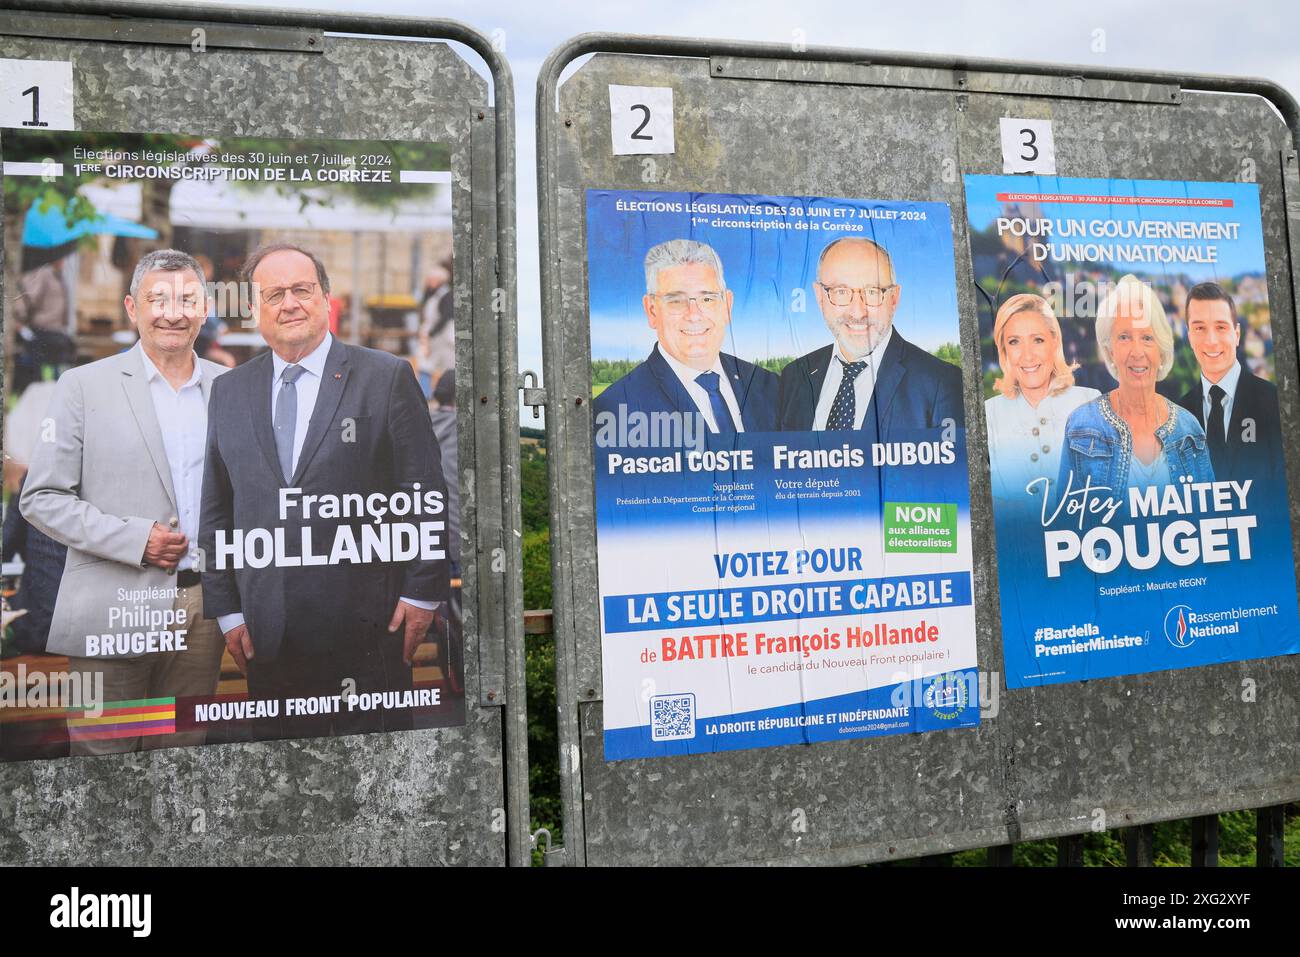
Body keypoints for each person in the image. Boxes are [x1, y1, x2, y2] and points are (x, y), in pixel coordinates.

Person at [199, 243, 451, 739]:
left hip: (371, 627)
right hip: (267, 630)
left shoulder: (385, 377)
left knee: (378, 775)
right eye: (273, 294)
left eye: (301, 289)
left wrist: (423, 594)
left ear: (326, 298)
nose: (289, 303)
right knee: (283, 777)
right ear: (253, 310)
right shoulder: (229, 391)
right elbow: (217, 509)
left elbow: (424, 491)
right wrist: (227, 610)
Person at [20, 249, 228, 754]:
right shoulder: (82, 386)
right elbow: (41, 497)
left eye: (186, 299)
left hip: (203, 613)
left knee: (183, 766)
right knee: (102, 768)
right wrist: (136, 540)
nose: (172, 312)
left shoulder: (230, 389)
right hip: (112, 606)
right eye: (157, 299)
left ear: (204, 309)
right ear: (133, 309)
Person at [778, 236, 964, 434]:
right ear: (819, 297)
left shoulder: (942, 383)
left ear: (894, 298)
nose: (858, 312)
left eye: (873, 292)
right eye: (841, 291)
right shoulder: (794, 376)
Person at [592, 239, 779, 434]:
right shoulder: (614, 410)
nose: (694, 314)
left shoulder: (770, 388)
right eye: (676, 301)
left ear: (727, 306)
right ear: (652, 311)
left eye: (707, 299)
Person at [1059, 275, 1213, 496]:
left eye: (1148, 338)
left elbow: (1212, 517)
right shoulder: (1081, 426)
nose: (1137, 352)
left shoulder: (1190, 430)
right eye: (1124, 337)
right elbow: (1066, 524)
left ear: (1161, 350)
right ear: (1110, 350)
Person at [984, 294, 1099, 503]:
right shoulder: (988, 414)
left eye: (1038, 340)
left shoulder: (1089, 403)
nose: (1027, 356)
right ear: (1004, 350)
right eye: (1014, 342)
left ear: (1054, 342)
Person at [1175, 281, 1283, 484]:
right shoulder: (1180, 416)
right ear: (1189, 336)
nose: (1211, 340)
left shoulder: (1274, 401)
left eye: (1221, 326)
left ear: (1237, 334)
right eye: (1199, 328)